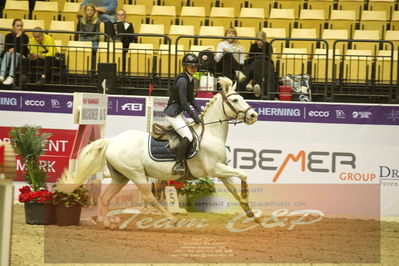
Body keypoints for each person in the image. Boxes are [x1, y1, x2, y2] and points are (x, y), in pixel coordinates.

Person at [163, 53, 202, 175]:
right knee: (189, 137)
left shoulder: (190, 79)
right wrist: (194, 117)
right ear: (185, 66)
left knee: (193, 132)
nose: (194, 68)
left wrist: (201, 112)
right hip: (173, 114)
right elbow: (185, 103)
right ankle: (178, 164)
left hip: (178, 112)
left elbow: (191, 99)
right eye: (191, 66)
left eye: (195, 66)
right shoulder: (183, 81)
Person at [244, 31, 277, 98]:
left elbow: (269, 56)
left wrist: (262, 47)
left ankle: (253, 83)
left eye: (262, 39)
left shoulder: (268, 45)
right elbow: (251, 56)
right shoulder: (253, 46)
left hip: (265, 62)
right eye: (258, 39)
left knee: (261, 66)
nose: (260, 41)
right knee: (255, 65)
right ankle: (256, 85)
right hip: (255, 62)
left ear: (264, 39)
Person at [0, 19, 29, 85]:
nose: (19, 27)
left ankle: (11, 76)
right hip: (10, 55)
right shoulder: (8, 36)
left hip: (22, 56)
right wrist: (9, 50)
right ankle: (2, 75)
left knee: (14, 54)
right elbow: (6, 48)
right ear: (13, 27)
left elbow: (22, 49)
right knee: (7, 53)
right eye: (17, 26)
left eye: (21, 26)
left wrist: (18, 37)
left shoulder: (25, 37)